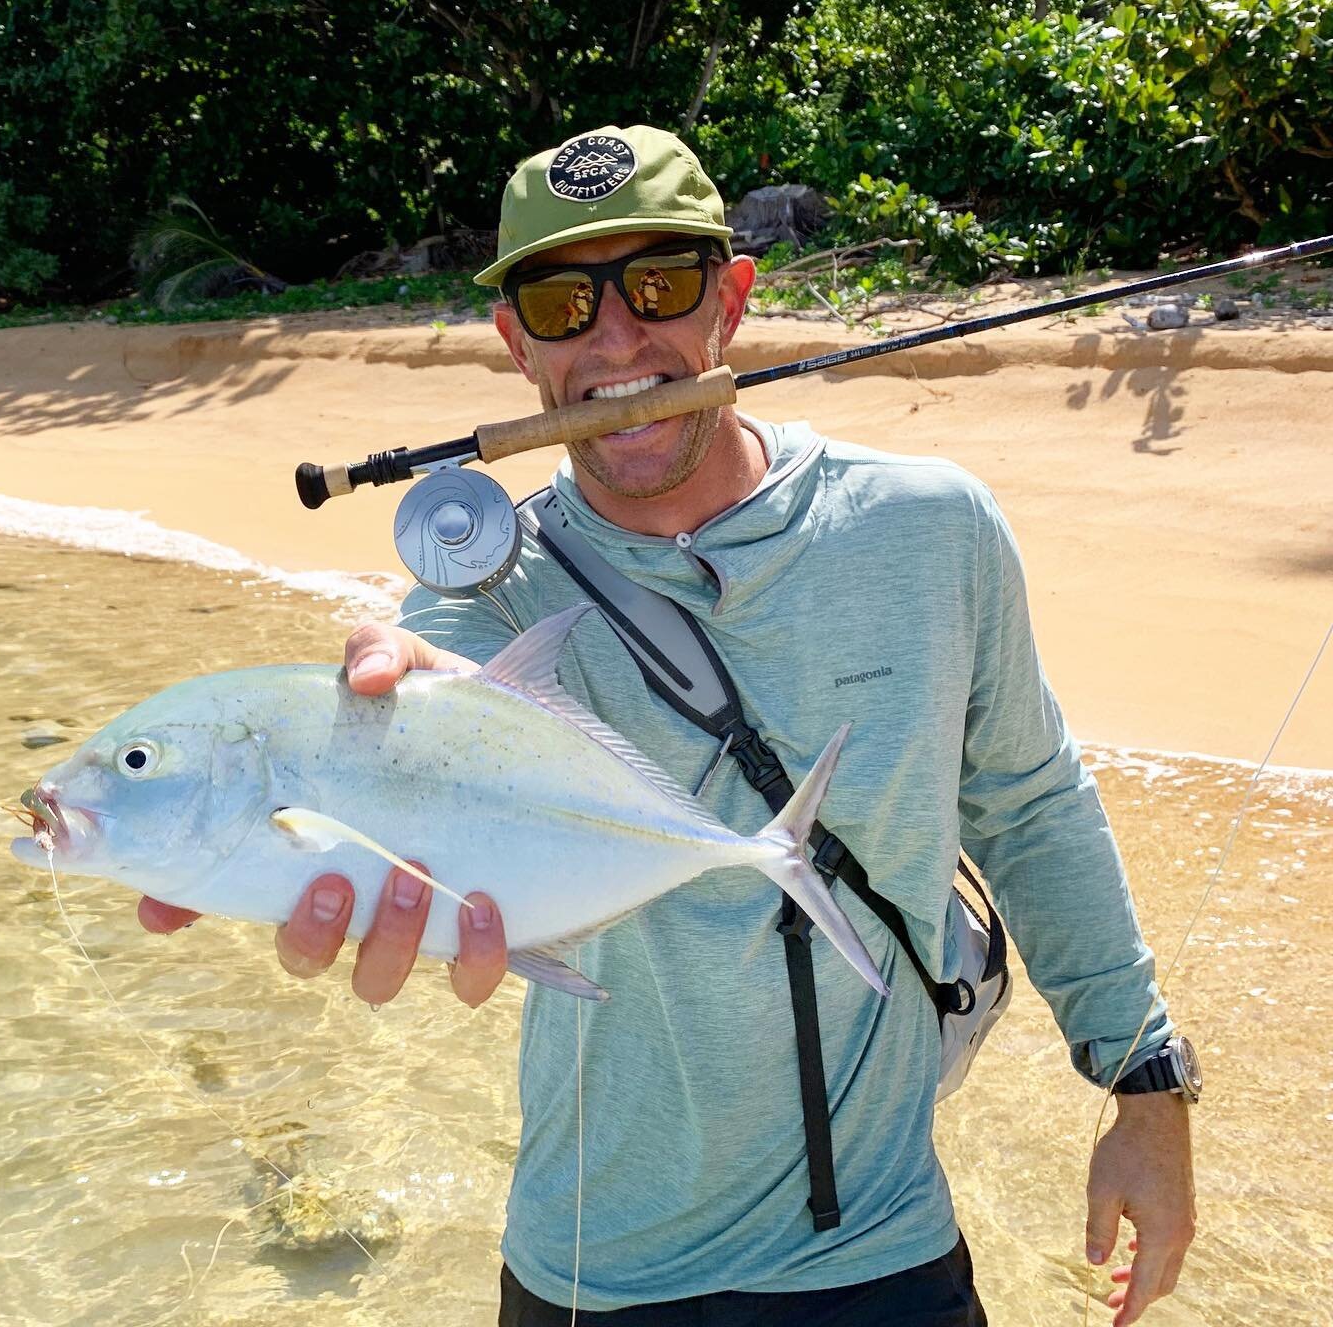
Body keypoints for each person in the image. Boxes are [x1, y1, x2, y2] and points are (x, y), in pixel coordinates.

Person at [138, 125, 1197, 1326]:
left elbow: (1030, 803)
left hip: (887, 1258)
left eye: (659, 285)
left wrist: (1143, 1085)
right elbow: (430, 718)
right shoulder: (482, 593)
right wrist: (311, 804)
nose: (614, 338)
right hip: (597, 1269)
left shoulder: (930, 530)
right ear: (516, 344)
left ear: (731, 299)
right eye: (558, 300)